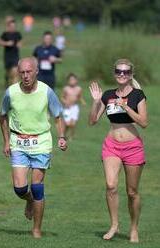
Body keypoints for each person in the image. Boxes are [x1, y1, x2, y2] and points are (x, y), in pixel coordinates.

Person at [0, 57, 67, 238]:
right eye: (22, 72)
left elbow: (58, 116)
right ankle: (28, 200)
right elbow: (3, 116)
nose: (25, 75)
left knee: (37, 188)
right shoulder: (11, 92)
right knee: (20, 189)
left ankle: (36, 229)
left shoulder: (47, 92)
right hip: (18, 142)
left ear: (36, 71)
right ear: (18, 73)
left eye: (29, 72)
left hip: (41, 142)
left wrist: (61, 137)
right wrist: (6, 141)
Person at [89, 59, 148, 243]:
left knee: (132, 192)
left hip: (132, 147)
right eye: (119, 71)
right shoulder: (107, 95)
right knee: (111, 185)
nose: (122, 74)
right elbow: (92, 121)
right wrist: (96, 102)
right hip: (112, 145)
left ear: (131, 74)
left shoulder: (138, 95)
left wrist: (125, 106)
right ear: (114, 73)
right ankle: (114, 225)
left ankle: (134, 228)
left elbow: (144, 122)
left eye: (126, 72)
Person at [0, 19, 23, 88]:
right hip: (7, 56)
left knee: (15, 72)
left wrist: (19, 44)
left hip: (15, 56)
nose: (13, 28)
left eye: (14, 26)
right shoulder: (5, 34)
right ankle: (7, 82)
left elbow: (20, 42)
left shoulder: (17, 34)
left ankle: (13, 89)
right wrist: (6, 43)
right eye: (11, 26)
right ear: (8, 27)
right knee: (8, 73)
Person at [61, 73, 86, 140]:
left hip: (74, 107)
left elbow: (80, 97)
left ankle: (71, 136)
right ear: (68, 81)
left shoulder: (79, 89)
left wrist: (83, 102)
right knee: (67, 124)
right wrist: (65, 102)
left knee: (73, 124)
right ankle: (64, 135)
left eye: (73, 80)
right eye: (70, 80)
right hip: (67, 108)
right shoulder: (66, 88)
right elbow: (62, 97)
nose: (72, 81)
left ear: (76, 80)